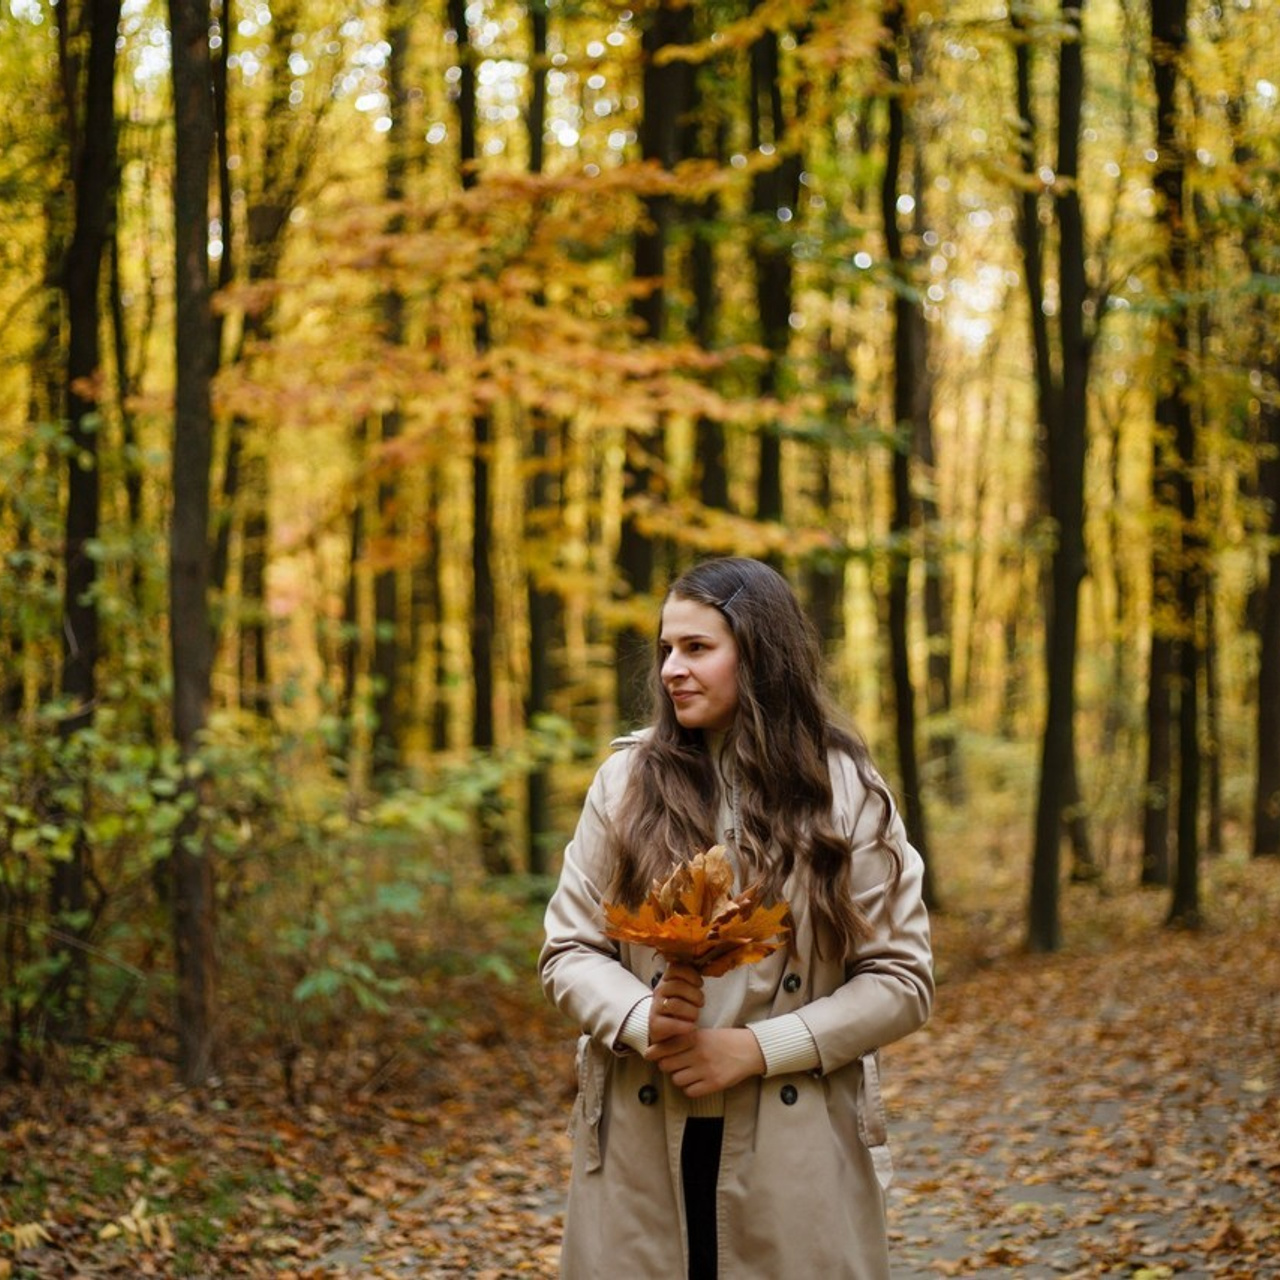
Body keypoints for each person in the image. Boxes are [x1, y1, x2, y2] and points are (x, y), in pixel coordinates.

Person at [539, 556, 934, 1279]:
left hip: (793, 1144)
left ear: (759, 653)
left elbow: (903, 979)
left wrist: (759, 1049)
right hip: (641, 1133)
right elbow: (568, 949)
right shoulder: (624, 784)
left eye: (697, 648)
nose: (670, 670)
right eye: (665, 649)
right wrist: (639, 1018)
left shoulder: (843, 791)